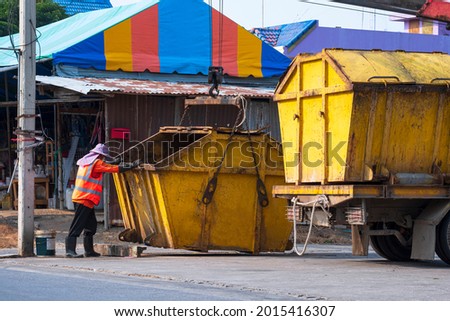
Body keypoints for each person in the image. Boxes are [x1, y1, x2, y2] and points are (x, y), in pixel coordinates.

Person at [65, 143, 139, 258]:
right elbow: (113, 169)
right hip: (84, 199)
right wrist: (132, 166)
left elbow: (105, 166)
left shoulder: (85, 162)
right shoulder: (97, 163)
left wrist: (115, 161)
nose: (103, 158)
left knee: (91, 225)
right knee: (77, 225)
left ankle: (89, 251)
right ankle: (70, 250)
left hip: (83, 198)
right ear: (100, 156)